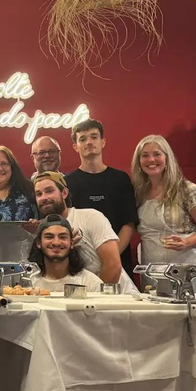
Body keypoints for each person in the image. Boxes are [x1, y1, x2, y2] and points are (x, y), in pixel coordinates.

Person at [130, 135, 196, 291]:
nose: (151, 159)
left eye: (157, 154)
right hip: (153, 269)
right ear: (139, 161)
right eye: (145, 155)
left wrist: (186, 242)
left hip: (187, 268)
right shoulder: (138, 194)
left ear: (167, 158)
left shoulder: (186, 189)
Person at [32, 172, 138, 293]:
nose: (44, 197)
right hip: (79, 298)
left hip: (119, 296)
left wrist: (98, 298)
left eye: (49, 191)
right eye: (39, 194)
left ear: (64, 193)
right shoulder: (42, 231)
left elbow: (113, 265)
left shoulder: (90, 217)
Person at [65, 119, 139, 279]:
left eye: (94, 137)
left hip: (119, 262)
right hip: (81, 265)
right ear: (75, 146)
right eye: (83, 139)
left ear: (103, 142)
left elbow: (128, 223)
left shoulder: (120, 179)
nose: (89, 142)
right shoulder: (67, 183)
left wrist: (110, 257)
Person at [29, 214, 104, 292]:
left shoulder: (91, 283)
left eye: (62, 237)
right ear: (38, 243)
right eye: (49, 237)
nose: (56, 243)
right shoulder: (29, 282)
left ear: (72, 243)